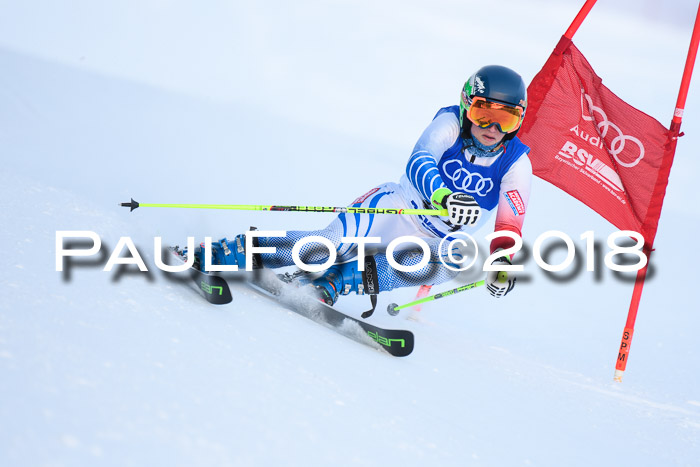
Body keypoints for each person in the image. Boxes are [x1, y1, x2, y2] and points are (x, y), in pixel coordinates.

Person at [192, 65, 532, 306]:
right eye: (483, 112)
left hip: (436, 240)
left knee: (459, 257)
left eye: (506, 119)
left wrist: (503, 261)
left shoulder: (517, 162)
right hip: (396, 208)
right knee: (326, 247)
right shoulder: (449, 122)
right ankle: (224, 252)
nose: (492, 127)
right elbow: (419, 161)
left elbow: (509, 222)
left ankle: (333, 283)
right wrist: (444, 195)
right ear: (465, 105)